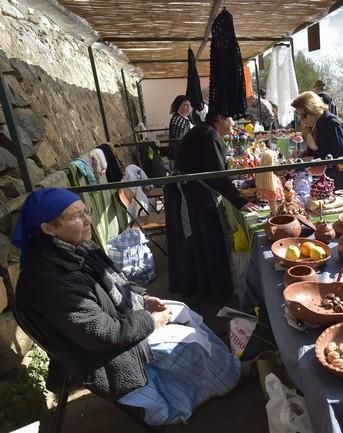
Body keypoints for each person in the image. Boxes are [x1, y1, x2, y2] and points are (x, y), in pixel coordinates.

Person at [12, 188, 241, 425]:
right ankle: (227, 377)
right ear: (48, 229)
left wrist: (143, 298)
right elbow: (104, 335)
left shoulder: (77, 247)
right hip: (100, 354)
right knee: (188, 341)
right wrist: (151, 321)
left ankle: (222, 368)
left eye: (85, 211)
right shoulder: (50, 281)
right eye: (76, 217)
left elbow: (117, 279)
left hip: (119, 319)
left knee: (182, 310)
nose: (88, 220)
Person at [165, 109, 259, 302]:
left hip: (192, 193)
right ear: (219, 118)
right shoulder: (209, 135)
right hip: (194, 198)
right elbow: (219, 177)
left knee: (201, 245)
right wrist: (241, 202)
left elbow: (215, 170)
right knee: (206, 243)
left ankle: (205, 288)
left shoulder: (205, 131)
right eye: (231, 117)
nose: (233, 123)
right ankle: (211, 292)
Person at [291, 91, 343, 159]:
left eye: (303, 116)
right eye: (299, 117)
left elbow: (340, 156)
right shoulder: (316, 125)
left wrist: (314, 159)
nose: (301, 120)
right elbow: (317, 151)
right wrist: (302, 155)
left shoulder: (332, 124)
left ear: (313, 109)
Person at [168, 95, 194, 169]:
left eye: (190, 104)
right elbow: (177, 141)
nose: (189, 107)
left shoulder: (187, 118)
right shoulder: (178, 120)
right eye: (186, 105)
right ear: (178, 106)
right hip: (181, 156)